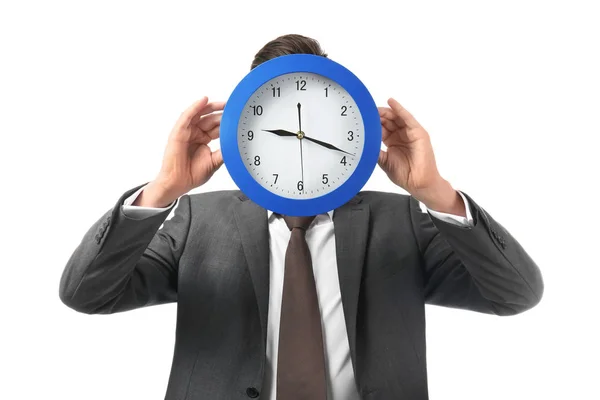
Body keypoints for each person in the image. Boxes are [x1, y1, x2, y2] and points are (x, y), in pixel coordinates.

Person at [59, 34, 544, 400]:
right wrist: (161, 191)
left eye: (318, 123)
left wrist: (437, 194)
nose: (298, 140)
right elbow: (86, 294)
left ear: (350, 124)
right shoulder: (196, 221)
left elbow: (516, 294)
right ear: (242, 129)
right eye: (278, 129)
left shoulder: (404, 221)